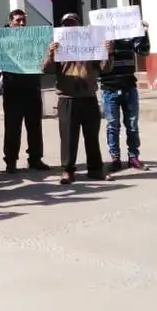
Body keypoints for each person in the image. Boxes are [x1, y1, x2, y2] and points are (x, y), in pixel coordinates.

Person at [41, 12, 114, 185]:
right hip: (67, 98)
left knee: (92, 136)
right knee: (68, 137)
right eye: (66, 25)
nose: (70, 27)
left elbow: (105, 69)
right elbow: (46, 69)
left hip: (88, 97)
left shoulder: (92, 43)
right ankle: (68, 170)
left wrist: (108, 52)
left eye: (73, 24)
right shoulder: (57, 45)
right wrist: (51, 54)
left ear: (79, 26)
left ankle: (95, 170)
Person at [0, 9, 49, 173]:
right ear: (10, 22)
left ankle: (35, 158)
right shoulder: (3, 39)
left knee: (34, 126)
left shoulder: (32, 37)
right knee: (12, 127)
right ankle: (10, 161)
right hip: (12, 90)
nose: (21, 24)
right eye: (18, 20)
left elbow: (41, 57)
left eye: (23, 21)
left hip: (32, 88)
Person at [100, 21, 151, 172]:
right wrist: (107, 50)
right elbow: (97, 65)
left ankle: (133, 157)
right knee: (112, 125)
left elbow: (144, 52)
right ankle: (115, 158)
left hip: (129, 87)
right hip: (109, 89)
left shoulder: (129, 36)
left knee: (132, 125)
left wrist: (144, 33)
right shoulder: (101, 39)